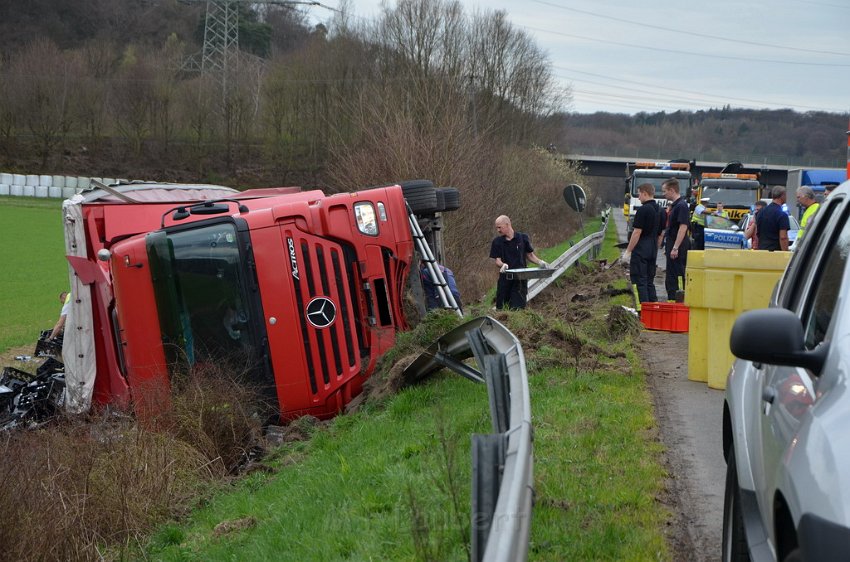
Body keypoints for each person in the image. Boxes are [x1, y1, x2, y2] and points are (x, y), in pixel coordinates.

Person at [489, 215, 547, 309]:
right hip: (505, 279)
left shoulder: (522, 238)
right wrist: (503, 265)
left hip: (520, 279)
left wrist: (540, 262)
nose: (498, 230)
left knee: (518, 307)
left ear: (507, 224)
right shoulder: (497, 242)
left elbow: (530, 255)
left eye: (500, 227)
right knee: (502, 307)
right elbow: (497, 261)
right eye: (497, 228)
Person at [622, 183, 662, 308]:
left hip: (641, 248)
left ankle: (642, 311)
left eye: (639, 194)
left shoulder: (643, 209)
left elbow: (637, 232)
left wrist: (628, 251)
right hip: (653, 248)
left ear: (645, 193)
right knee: (649, 281)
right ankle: (654, 310)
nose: (638, 197)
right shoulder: (660, 210)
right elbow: (661, 233)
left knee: (639, 280)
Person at [660, 178, 690, 302]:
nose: (663, 194)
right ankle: (672, 301)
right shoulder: (675, 206)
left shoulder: (681, 206)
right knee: (671, 276)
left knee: (677, 275)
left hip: (678, 247)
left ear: (672, 190)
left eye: (664, 191)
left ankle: (679, 301)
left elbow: (683, 227)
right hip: (672, 245)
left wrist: (675, 247)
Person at [755, 186, 790, 251]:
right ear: (782, 195)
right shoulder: (782, 215)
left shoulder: (760, 212)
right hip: (776, 251)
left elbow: (757, 233)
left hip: (762, 250)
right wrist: (785, 253)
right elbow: (783, 237)